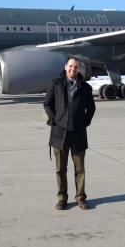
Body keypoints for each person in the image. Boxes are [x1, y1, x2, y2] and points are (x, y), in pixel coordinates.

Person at [43, 57, 96, 210]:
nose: (73, 69)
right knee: (60, 169)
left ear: (78, 69)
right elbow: (47, 104)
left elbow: (91, 108)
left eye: (76, 67)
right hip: (60, 134)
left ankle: (80, 198)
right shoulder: (56, 84)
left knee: (80, 169)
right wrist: (54, 120)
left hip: (78, 133)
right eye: (71, 66)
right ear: (66, 67)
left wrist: (85, 122)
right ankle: (62, 198)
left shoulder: (85, 87)